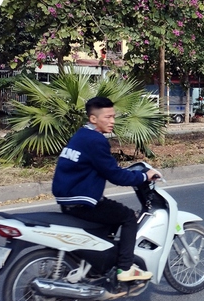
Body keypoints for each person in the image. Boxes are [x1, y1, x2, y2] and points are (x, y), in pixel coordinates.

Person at [52, 96, 161, 282]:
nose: (112, 121)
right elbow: (114, 175)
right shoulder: (96, 140)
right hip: (83, 202)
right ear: (93, 119)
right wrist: (144, 176)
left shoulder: (81, 135)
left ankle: (99, 265)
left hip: (67, 199)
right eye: (108, 117)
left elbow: (103, 168)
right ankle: (125, 269)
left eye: (113, 116)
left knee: (110, 219)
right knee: (127, 217)